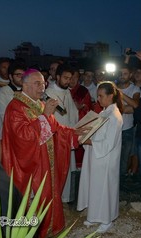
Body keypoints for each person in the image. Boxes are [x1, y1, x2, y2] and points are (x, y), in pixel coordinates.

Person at [1, 69, 84, 238]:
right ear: (24, 85)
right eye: (37, 83)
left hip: (45, 164)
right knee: (30, 205)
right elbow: (24, 138)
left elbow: (56, 129)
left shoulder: (38, 104)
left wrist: (77, 134)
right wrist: (45, 115)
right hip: (28, 169)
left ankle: (46, 230)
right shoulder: (15, 107)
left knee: (46, 200)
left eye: (44, 83)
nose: (42, 87)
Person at [77, 81, 123, 233]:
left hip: (106, 158)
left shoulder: (115, 116)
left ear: (111, 96)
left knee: (105, 188)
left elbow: (109, 143)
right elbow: (98, 133)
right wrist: (86, 133)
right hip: (96, 156)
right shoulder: (104, 112)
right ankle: (94, 215)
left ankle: (106, 219)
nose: (98, 99)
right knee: (95, 186)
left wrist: (90, 141)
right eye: (97, 96)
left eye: (101, 96)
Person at [46, 63, 79, 203]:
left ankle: (64, 198)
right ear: (57, 77)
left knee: (67, 168)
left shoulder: (67, 92)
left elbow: (72, 113)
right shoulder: (48, 94)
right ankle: (53, 199)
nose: (68, 81)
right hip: (55, 138)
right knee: (55, 170)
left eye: (70, 78)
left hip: (67, 136)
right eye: (65, 78)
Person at [0, 61, 27, 162]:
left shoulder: (28, 90)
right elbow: (4, 116)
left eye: (24, 75)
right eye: (18, 75)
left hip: (26, 136)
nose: (21, 77)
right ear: (11, 77)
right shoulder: (5, 91)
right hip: (9, 136)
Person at [117, 63, 141, 176]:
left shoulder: (135, 89)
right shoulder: (113, 87)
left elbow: (135, 105)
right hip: (113, 129)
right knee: (113, 158)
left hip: (127, 129)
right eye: (121, 73)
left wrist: (120, 94)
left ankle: (121, 187)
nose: (122, 76)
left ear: (130, 75)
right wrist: (126, 108)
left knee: (125, 159)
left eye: (125, 74)